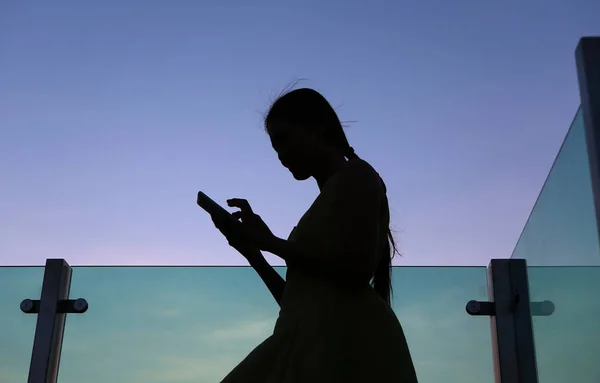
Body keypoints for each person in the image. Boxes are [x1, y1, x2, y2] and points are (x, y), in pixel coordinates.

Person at [212, 87, 418, 382]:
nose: (281, 155)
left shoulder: (358, 177)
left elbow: (356, 267)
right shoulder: (335, 194)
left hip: (349, 348)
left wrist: (271, 243)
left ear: (317, 127)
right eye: (275, 148)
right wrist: (252, 252)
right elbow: (298, 303)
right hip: (321, 344)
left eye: (284, 140)